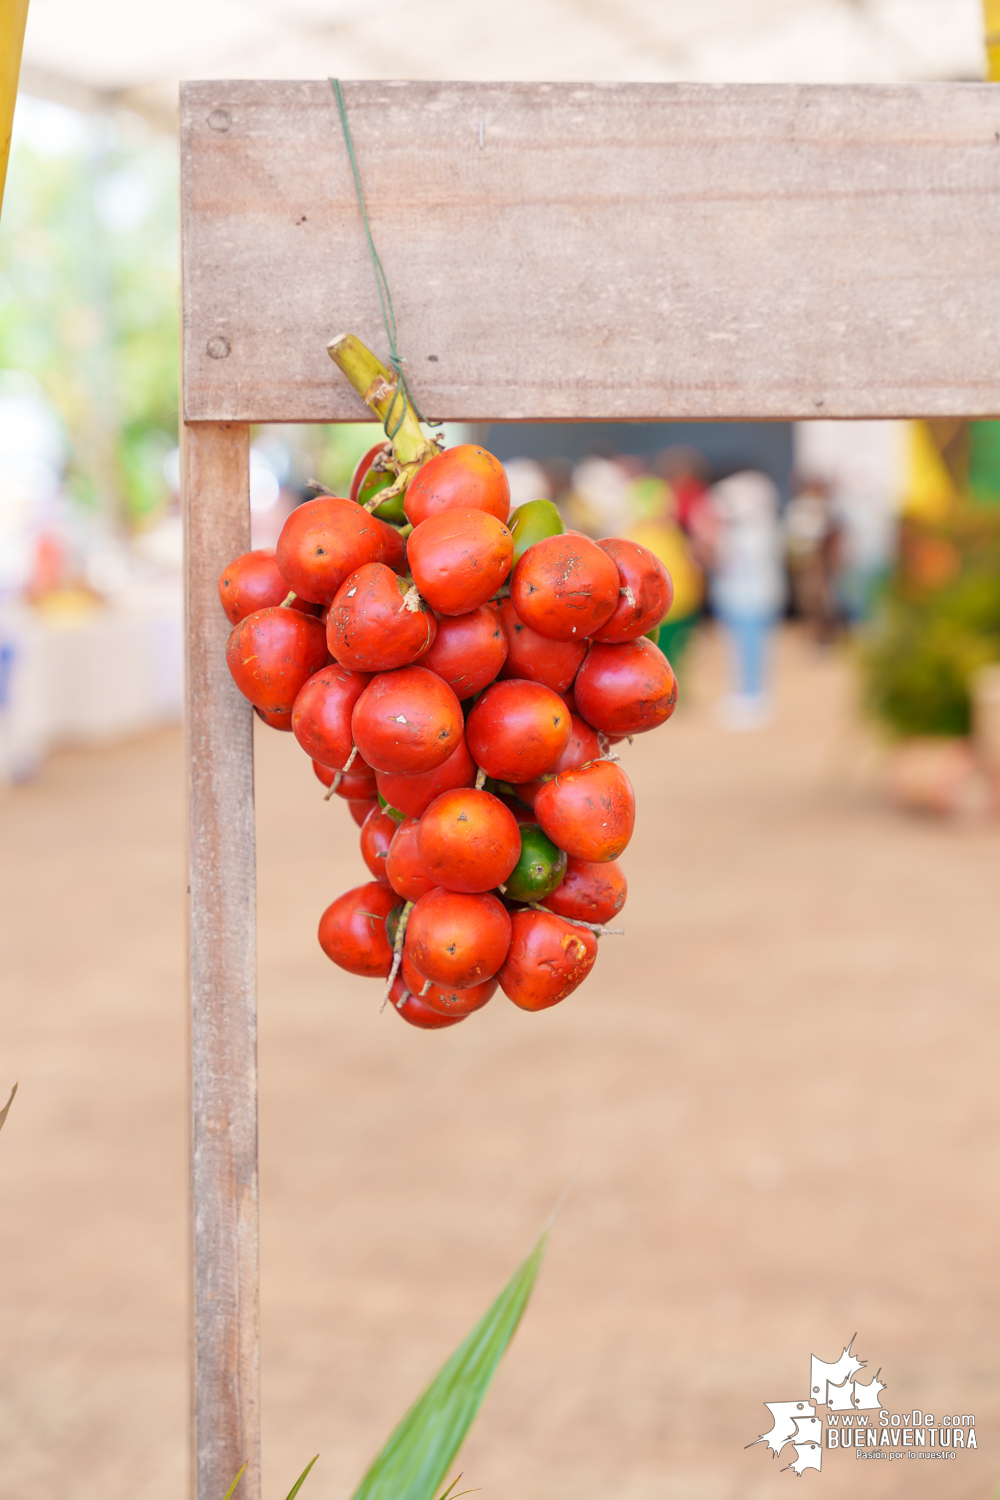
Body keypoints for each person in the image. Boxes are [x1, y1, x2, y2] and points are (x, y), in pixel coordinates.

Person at [704, 470, 786, 730]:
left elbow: (732, 559)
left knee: (753, 650)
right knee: (738, 650)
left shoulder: (755, 531)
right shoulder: (752, 528)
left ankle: (754, 697)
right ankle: (745, 693)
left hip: (753, 600)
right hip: (738, 599)